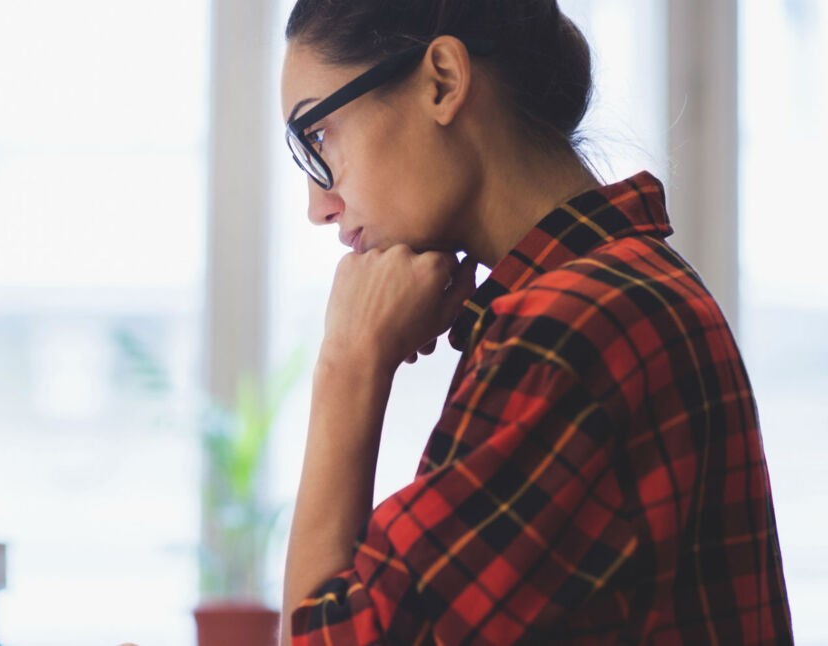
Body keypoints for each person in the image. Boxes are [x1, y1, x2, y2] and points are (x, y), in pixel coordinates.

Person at [278, 0, 792, 644]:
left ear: (443, 80)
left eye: (318, 137)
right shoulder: (615, 290)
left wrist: (348, 364)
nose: (318, 206)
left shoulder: (570, 331)